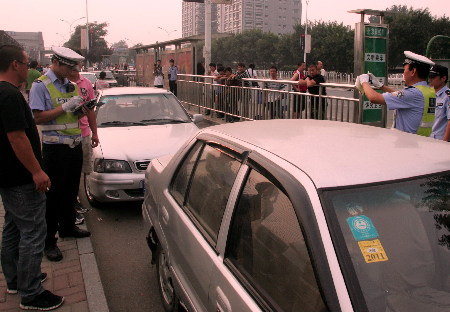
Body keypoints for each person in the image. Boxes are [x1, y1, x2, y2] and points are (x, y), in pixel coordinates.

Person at [0, 44, 64, 310]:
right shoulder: (10, 96)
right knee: (33, 232)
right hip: (21, 177)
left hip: (8, 176)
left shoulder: (6, 93)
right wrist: (36, 171)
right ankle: (31, 291)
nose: (30, 68)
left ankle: (16, 279)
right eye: (26, 63)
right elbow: (17, 137)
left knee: (14, 227)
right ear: (15, 64)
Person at [29, 47, 91, 263]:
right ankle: (49, 241)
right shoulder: (40, 86)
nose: (71, 71)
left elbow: (73, 114)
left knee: (71, 191)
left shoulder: (71, 86)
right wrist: (64, 107)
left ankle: (68, 227)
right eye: (67, 67)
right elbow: (37, 118)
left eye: (73, 67)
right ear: (55, 62)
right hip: (54, 149)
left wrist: (83, 109)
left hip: (74, 145)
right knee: (52, 197)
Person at [356, 51, 435, 134]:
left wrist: (364, 81)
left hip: (407, 142)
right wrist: (380, 86)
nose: (404, 73)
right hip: (421, 140)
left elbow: (374, 98)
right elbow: (400, 95)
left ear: (413, 71)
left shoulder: (413, 93)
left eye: (405, 70)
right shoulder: (426, 91)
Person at [68, 63, 100, 223]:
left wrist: (95, 133)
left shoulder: (86, 84)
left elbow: (91, 110)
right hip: (65, 137)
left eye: (76, 64)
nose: (75, 68)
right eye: (71, 64)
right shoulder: (60, 83)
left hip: (84, 133)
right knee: (68, 173)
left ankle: (75, 201)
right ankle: (70, 205)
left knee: (82, 170)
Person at [428, 64, 450, 141]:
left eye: (433, 77)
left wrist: (444, 143)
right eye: (429, 76)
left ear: (443, 78)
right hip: (428, 138)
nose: (430, 79)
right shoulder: (429, 94)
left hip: (440, 140)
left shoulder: (447, 96)